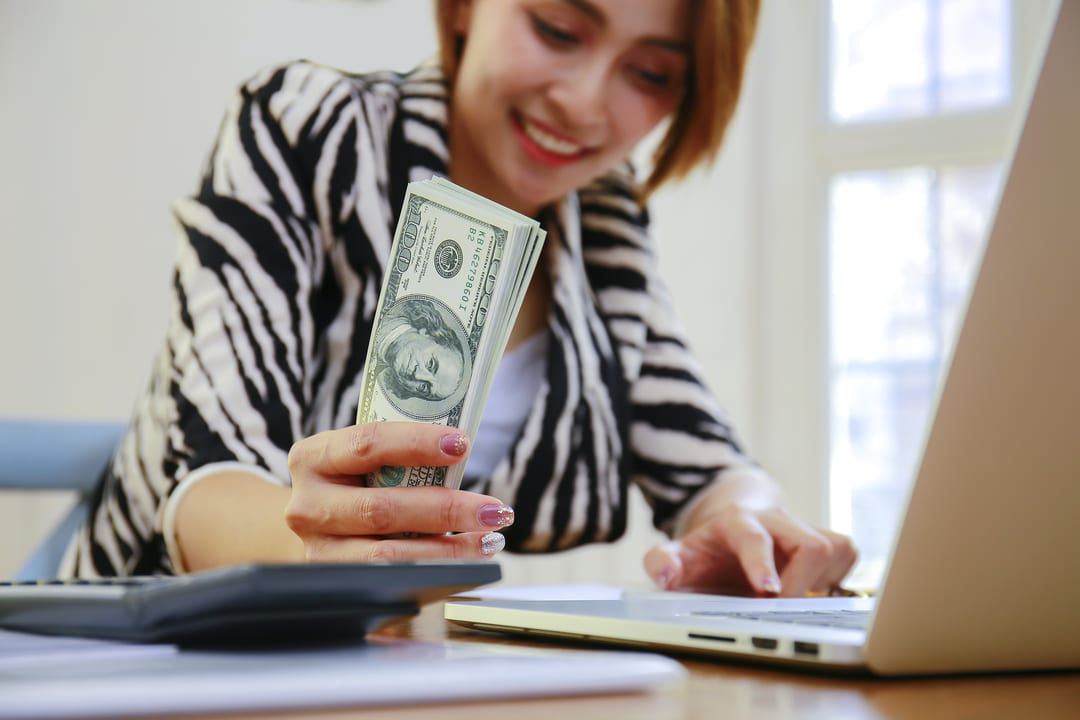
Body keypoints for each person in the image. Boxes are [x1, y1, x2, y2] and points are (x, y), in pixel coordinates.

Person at [63, 0, 857, 597]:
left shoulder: (604, 216)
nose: (584, 102)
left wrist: (744, 523)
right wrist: (335, 548)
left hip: (397, 672)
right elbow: (208, 481)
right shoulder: (308, 129)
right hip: (155, 651)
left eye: (650, 73)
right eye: (555, 27)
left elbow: (706, 465)